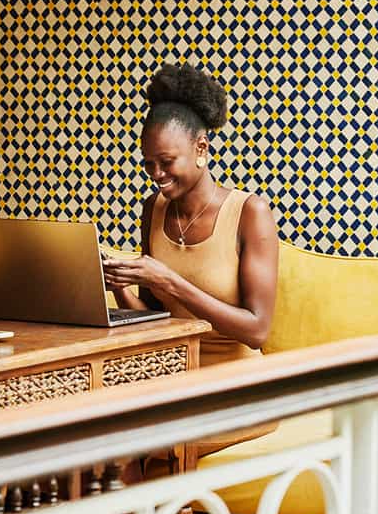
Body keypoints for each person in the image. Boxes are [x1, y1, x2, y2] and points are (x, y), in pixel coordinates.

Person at [104, 64, 280, 371]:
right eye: (148, 164)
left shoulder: (250, 213)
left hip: (236, 379)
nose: (157, 175)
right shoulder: (153, 209)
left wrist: (170, 281)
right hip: (171, 375)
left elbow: (257, 331)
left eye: (167, 162)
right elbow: (152, 320)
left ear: (201, 148)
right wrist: (117, 281)